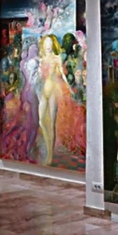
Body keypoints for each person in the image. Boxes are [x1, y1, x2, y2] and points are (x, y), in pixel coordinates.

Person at [37, 34, 70, 165]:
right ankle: (48, 146)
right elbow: (39, 78)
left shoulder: (57, 58)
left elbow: (62, 74)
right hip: (43, 91)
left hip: (53, 92)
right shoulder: (41, 59)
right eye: (46, 43)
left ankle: (50, 155)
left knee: (52, 124)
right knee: (41, 121)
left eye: (50, 43)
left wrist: (69, 88)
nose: (48, 45)